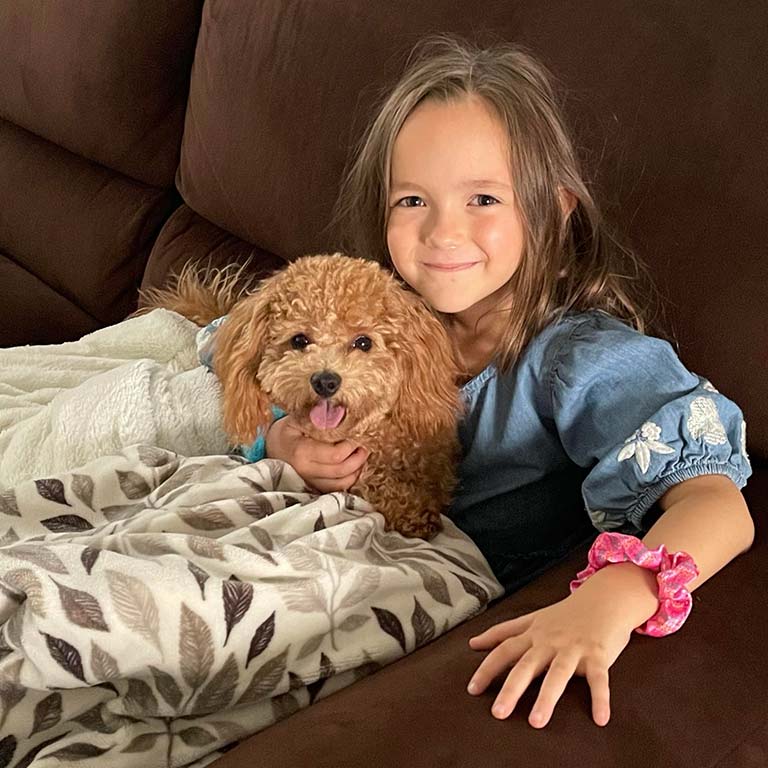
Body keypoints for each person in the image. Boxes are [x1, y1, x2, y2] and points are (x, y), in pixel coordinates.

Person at [261, 35, 754, 728]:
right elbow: (263, 379)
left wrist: (611, 597)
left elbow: (719, 505)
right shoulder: (376, 322)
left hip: (428, 592)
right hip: (317, 536)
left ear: (553, 211)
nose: (442, 231)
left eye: (484, 198)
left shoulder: (579, 362)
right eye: (411, 201)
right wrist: (281, 443)